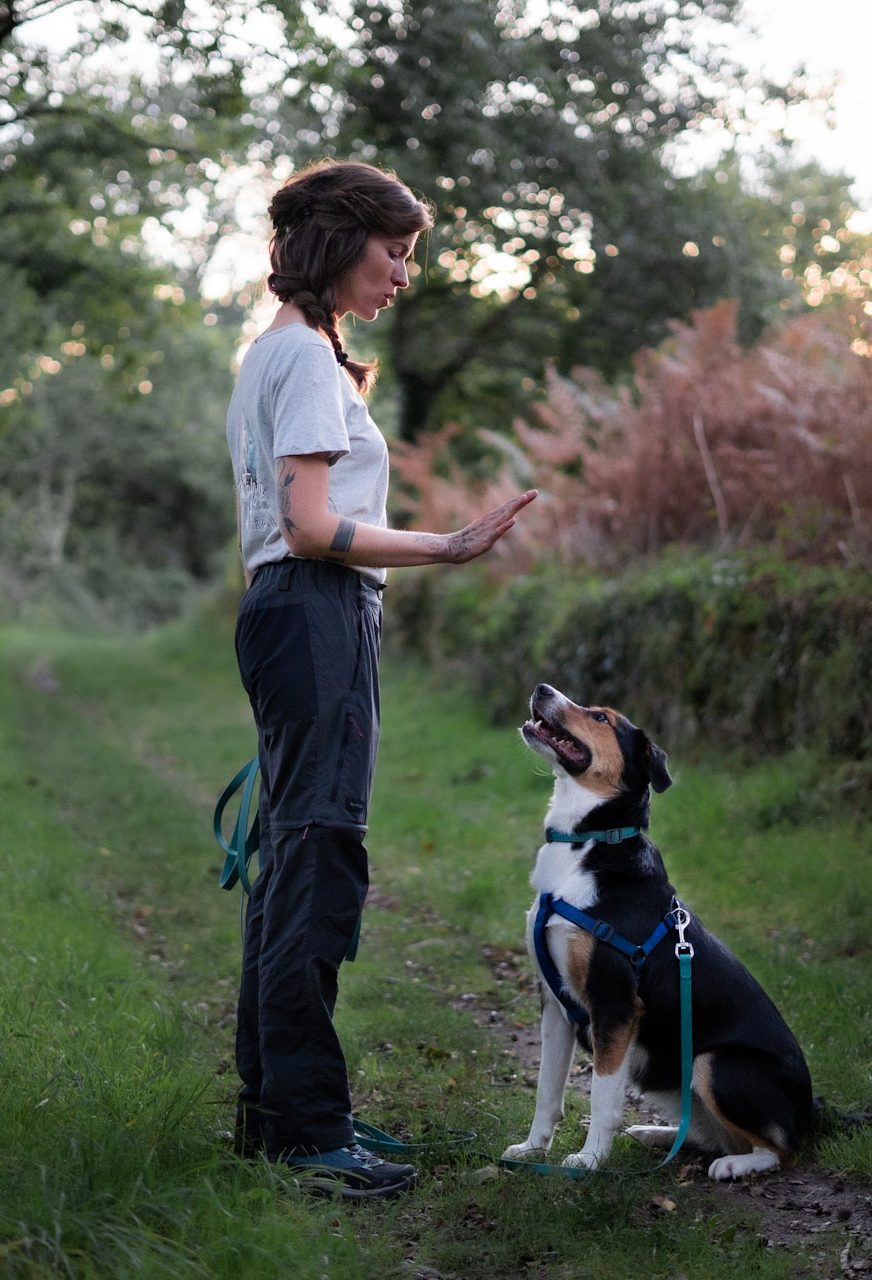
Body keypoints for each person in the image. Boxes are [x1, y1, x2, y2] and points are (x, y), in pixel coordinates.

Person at [226, 160, 536, 1200]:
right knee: (316, 863)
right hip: (312, 612)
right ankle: (309, 1131)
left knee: (292, 858)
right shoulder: (307, 360)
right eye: (394, 250)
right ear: (338, 241)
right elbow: (312, 528)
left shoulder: (273, 352)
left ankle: (277, 1111)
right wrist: (446, 546)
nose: (405, 273)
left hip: (289, 617)